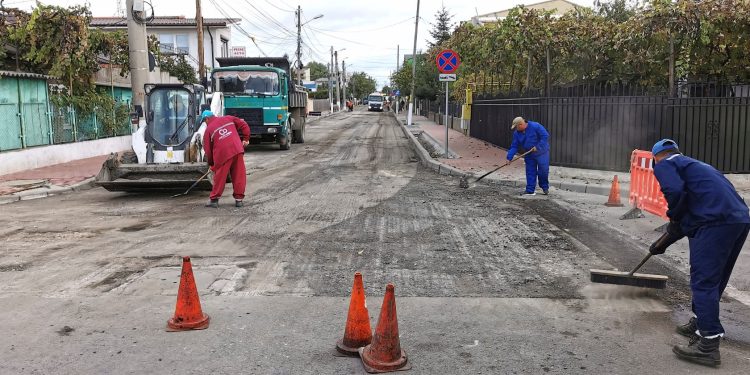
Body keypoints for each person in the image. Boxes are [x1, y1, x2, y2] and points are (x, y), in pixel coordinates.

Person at [649, 139, 750, 367]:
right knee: (715, 279)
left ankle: (708, 345)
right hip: (738, 220)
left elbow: (674, 193)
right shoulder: (699, 166)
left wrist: (674, 216)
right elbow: (690, 212)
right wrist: (665, 239)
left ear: (657, 157)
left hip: (714, 223)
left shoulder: (665, 165)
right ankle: (699, 321)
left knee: (703, 282)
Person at [200, 110, 250, 208]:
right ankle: (239, 200)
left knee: (220, 177)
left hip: (223, 154)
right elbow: (244, 124)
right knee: (239, 175)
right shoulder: (228, 118)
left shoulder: (208, 130)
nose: (205, 123)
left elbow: (208, 151)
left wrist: (212, 164)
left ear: (207, 119)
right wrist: (246, 139)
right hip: (237, 149)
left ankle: (214, 200)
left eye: (204, 121)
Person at [506, 116, 550, 196]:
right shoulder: (517, 134)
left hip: (542, 153)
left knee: (543, 170)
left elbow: (545, 136)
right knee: (530, 171)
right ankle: (530, 190)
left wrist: (538, 147)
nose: (516, 129)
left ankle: (544, 187)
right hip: (529, 154)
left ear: (520, 125)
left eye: (516, 127)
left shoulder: (535, 126)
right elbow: (514, 146)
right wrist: (509, 157)